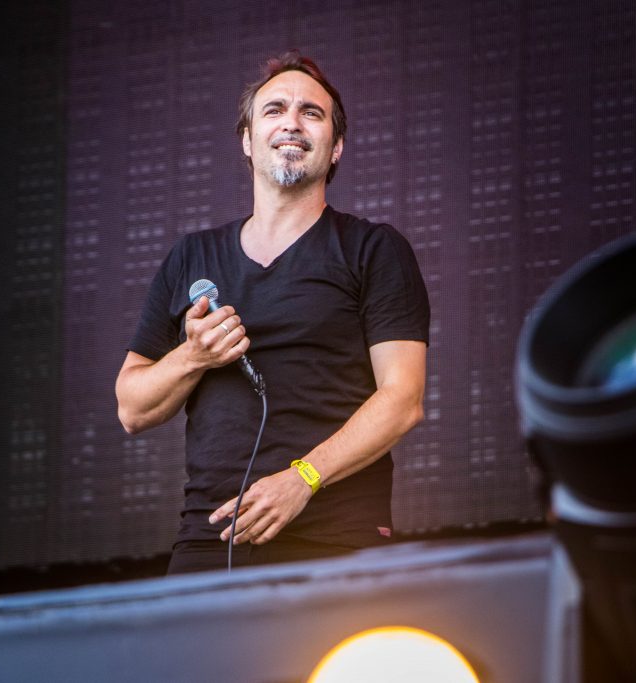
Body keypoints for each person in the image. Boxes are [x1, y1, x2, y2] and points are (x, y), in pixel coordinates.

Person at [115, 51, 430, 573]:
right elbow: (132, 409)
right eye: (275, 109)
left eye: (312, 113)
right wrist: (193, 356)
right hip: (209, 541)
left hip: (336, 542)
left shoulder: (373, 249)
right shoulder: (191, 256)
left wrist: (302, 479)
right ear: (247, 139)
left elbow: (403, 399)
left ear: (336, 146)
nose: (292, 122)